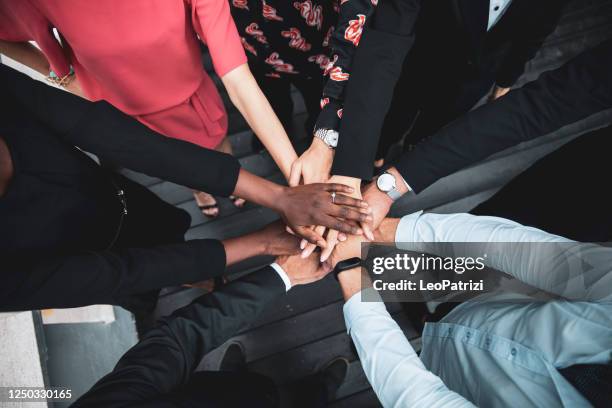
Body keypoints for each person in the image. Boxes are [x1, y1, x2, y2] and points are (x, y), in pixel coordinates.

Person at [0, 63, 373, 312]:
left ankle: (201, 269)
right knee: (158, 271)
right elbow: (120, 273)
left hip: (116, 196)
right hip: (89, 263)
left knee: (164, 225)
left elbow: (110, 135)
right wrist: (263, 241)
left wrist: (278, 195)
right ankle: (198, 275)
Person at [0, 0, 299, 217]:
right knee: (173, 163)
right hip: (118, 107)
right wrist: (63, 77)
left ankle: (231, 182)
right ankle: (199, 187)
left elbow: (238, 79)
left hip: (188, 96)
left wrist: (296, 182)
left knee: (217, 143)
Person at [327, 212, 612, 407]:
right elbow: (524, 251)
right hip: (482, 305)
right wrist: (378, 230)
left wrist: (350, 272)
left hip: (449, 381)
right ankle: (425, 319)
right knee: (431, 304)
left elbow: (417, 398)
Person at [359, 38, 612, 242]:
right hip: (574, 182)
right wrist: (390, 185)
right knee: (487, 234)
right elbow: (539, 106)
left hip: (591, 252)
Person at [71, 253, 342, 406]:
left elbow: (175, 341)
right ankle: (317, 393)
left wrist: (283, 275)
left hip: (209, 396)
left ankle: (237, 379)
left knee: (243, 389)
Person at [229, 0, 375, 142]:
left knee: (318, 112)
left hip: (314, 51)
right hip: (258, 50)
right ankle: (279, 136)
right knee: (275, 105)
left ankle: (315, 141)